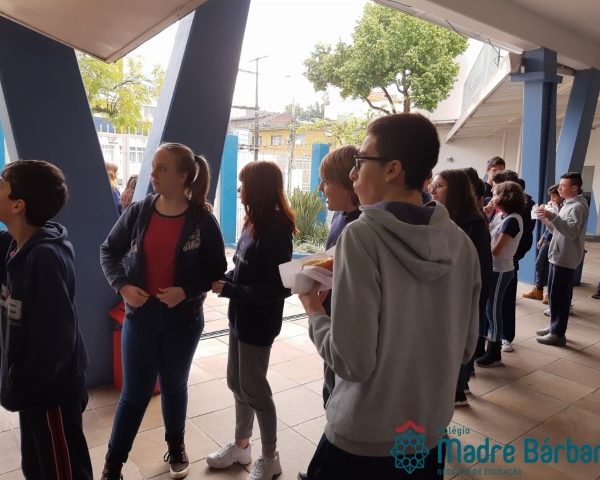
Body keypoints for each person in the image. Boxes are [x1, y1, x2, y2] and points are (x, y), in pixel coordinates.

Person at [298, 113, 481, 480]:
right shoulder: (460, 243)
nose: (353, 174)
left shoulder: (361, 237)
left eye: (361, 161)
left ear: (393, 169)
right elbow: (466, 348)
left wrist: (314, 309)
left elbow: (352, 362)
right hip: (427, 435)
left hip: (363, 439)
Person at [100, 143, 227, 479]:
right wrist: (123, 287)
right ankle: (114, 463)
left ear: (183, 176)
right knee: (134, 394)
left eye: (161, 168)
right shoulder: (140, 211)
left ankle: (176, 446)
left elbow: (216, 270)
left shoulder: (202, 220)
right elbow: (108, 251)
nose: (153, 174)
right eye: (153, 166)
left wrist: (185, 291)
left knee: (173, 385)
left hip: (183, 321)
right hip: (140, 318)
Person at [0, 160, 92, 479]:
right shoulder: (12, 246)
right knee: (36, 467)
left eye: (1, 183)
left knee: (62, 470)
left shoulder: (44, 257)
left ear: (18, 205)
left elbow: (56, 342)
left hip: (51, 392)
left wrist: (19, 380)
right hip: (30, 388)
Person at [208, 161, 295, 480]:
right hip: (239, 317)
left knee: (256, 390)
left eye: (244, 183)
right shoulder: (252, 223)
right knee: (236, 383)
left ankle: (270, 457)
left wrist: (231, 289)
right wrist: (227, 279)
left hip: (259, 324)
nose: (239, 189)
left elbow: (278, 288)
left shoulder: (276, 231)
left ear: (257, 188)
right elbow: (242, 267)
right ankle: (241, 445)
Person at [429, 169, 492, 406]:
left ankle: (457, 390)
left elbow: (478, 269)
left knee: (459, 340)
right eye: (433, 185)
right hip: (442, 295)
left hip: (461, 296)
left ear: (455, 190)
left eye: (439, 186)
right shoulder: (439, 217)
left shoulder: (473, 222)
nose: (432, 190)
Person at [317, 145, 360, 408]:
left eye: (326, 182)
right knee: (329, 383)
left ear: (348, 183)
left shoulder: (363, 228)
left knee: (339, 390)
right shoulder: (338, 216)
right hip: (330, 313)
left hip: (346, 324)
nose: (321, 189)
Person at [535, 172, 589, 346]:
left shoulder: (577, 207)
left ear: (574, 188)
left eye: (562, 186)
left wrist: (552, 216)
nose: (559, 189)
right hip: (558, 254)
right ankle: (554, 326)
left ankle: (558, 333)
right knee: (553, 293)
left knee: (560, 295)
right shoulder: (568, 204)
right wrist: (547, 221)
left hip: (565, 257)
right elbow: (559, 231)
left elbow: (571, 232)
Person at [476, 181, 524, 367]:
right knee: (488, 308)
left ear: (506, 197)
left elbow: (496, 250)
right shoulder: (501, 215)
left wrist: (479, 245)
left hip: (501, 270)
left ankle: (494, 351)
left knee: (493, 309)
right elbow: (487, 234)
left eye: (496, 194)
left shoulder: (512, 220)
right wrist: (485, 216)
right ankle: (485, 344)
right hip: (493, 269)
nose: (492, 197)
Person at [523, 185, 563, 302]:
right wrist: (542, 238)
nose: (552, 199)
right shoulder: (551, 205)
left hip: (556, 240)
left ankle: (549, 294)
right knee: (539, 264)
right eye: (551, 196)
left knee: (551, 268)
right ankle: (538, 290)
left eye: (554, 196)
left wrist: (543, 218)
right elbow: (548, 228)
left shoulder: (563, 208)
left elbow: (555, 228)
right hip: (547, 238)